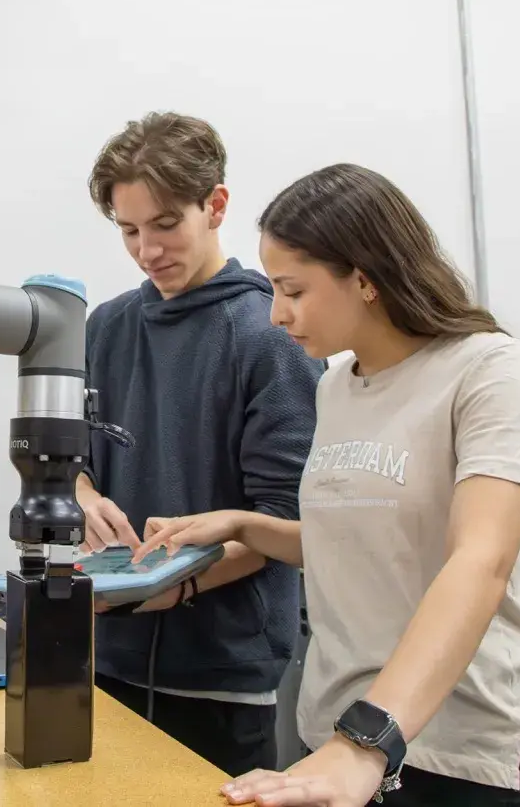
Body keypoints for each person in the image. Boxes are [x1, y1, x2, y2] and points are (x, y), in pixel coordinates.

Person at [134, 163, 520, 806]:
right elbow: (357, 539)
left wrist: (369, 741)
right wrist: (242, 524)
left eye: (292, 290)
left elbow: (481, 562)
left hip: (462, 754)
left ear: (365, 279)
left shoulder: (487, 370)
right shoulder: (337, 385)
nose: (276, 314)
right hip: (338, 743)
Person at [78, 111, 324, 777]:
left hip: (221, 670)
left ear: (215, 206)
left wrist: (179, 587)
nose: (147, 250)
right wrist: (83, 496)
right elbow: (75, 460)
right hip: (107, 653)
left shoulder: (271, 336)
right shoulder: (106, 327)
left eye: (165, 225)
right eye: (129, 230)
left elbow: (287, 521)